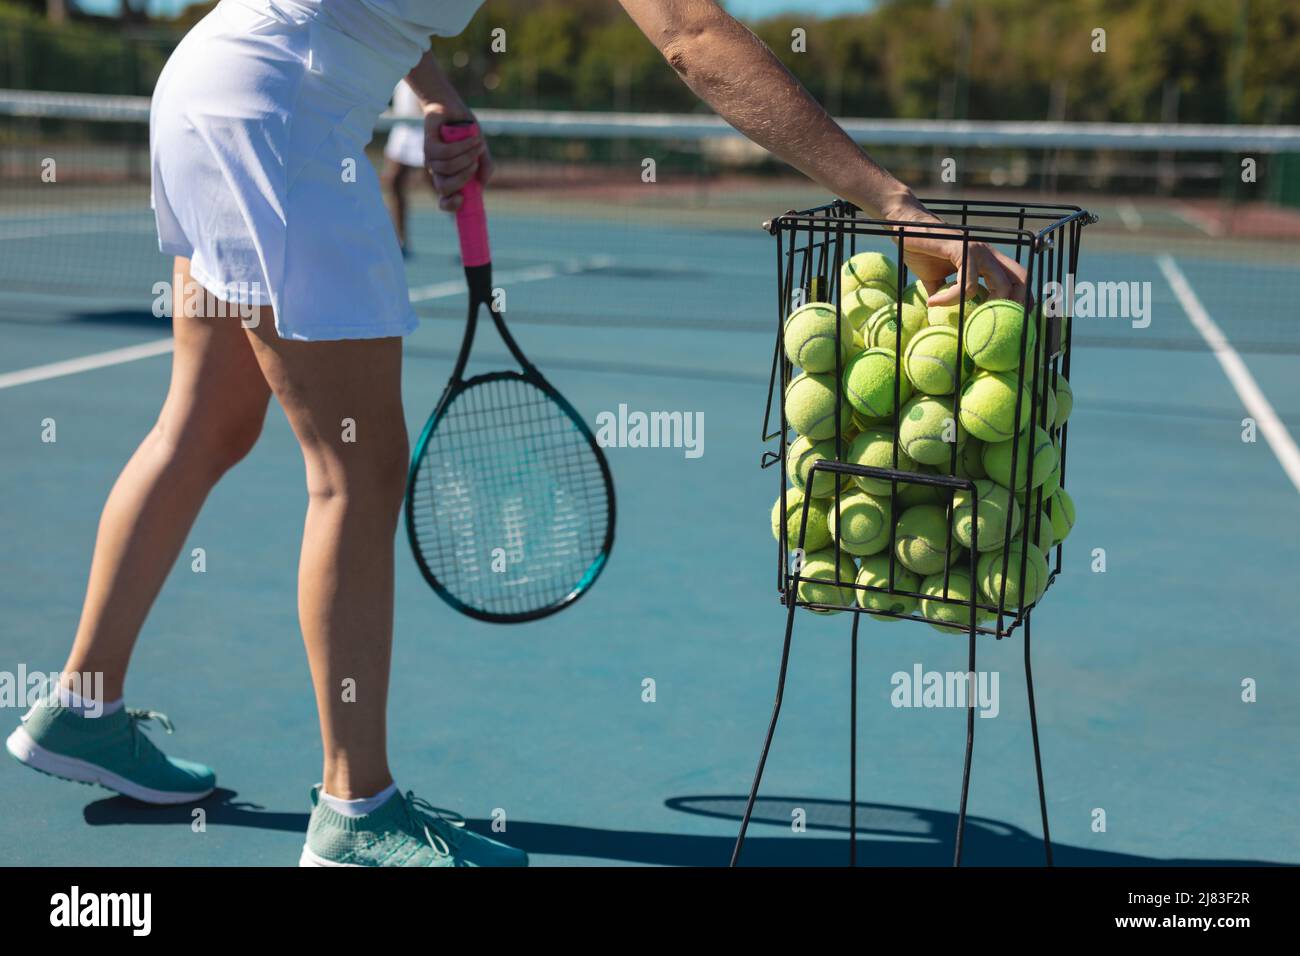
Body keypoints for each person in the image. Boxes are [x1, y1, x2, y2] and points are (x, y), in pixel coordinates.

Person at [6, 0, 1025, 868]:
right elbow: (693, 35)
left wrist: (438, 94)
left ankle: (83, 705)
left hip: (207, 93)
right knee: (355, 476)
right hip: (280, 128)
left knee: (202, 426)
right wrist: (892, 201)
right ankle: (354, 809)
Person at [382, 78, 434, 255]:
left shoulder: (420, 60)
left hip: (422, 130)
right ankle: (401, 241)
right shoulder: (395, 67)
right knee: (393, 181)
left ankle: (466, 235)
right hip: (402, 131)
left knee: (438, 184)